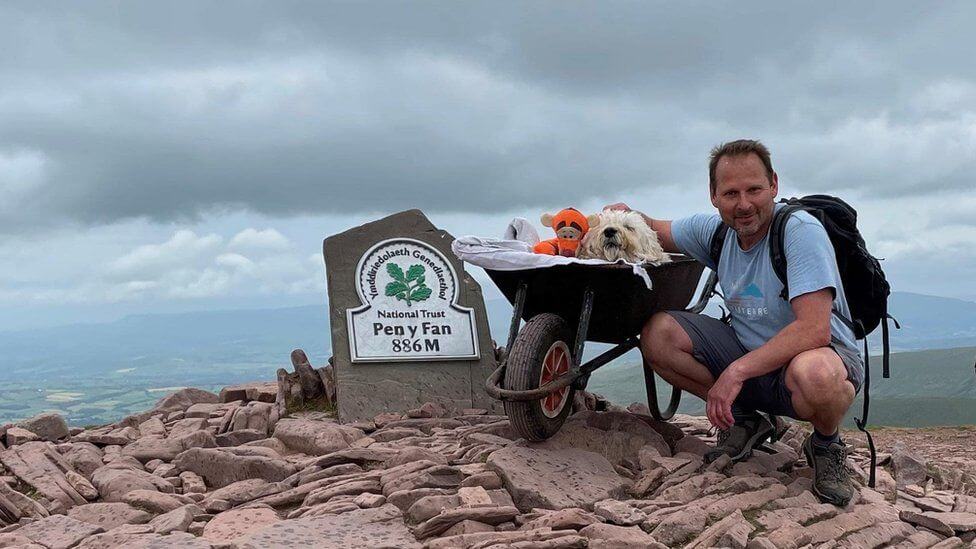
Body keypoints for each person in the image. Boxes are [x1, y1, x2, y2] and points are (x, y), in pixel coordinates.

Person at [607, 139, 864, 506]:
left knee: (818, 376)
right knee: (658, 335)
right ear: (714, 196)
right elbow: (651, 227)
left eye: (754, 190)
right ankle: (744, 419)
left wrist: (736, 372)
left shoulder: (799, 232)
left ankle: (826, 443)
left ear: (774, 185)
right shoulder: (714, 232)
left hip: (814, 358)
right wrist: (621, 215)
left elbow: (813, 329)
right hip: (751, 355)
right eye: (730, 193)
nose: (743, 204)